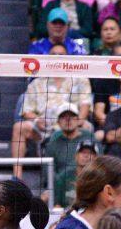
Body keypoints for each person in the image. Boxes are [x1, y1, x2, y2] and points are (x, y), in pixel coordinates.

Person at [12, 45, 94, 178]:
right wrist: (37, 120)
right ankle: (17, 176)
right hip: (45, 129)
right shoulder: (36, 83)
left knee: (87, 127)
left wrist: (78, 122)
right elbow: (26, 111)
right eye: (54, 54)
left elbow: (85, 104)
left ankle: (87, 175)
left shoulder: (80, 80)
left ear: (68, 59)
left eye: (61, 55)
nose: (57, 57)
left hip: (71, 126)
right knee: (19, 126)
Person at [43, 104, 97, 177]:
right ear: (58, 122)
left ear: (78, 120)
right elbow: (48, 173)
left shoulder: (90, 137)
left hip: (88, 181)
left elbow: (100, 164)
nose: (68, 120)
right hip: (61, 184)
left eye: (72, 116)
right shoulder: (52, 144)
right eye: (63, 117)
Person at [55, 143, 98, 208]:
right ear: (76, 156)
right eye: (83, 152)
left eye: (90, 153)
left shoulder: (99, 178)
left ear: (96, 158)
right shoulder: (63, 176)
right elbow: (57, 204)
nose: (86, 156)